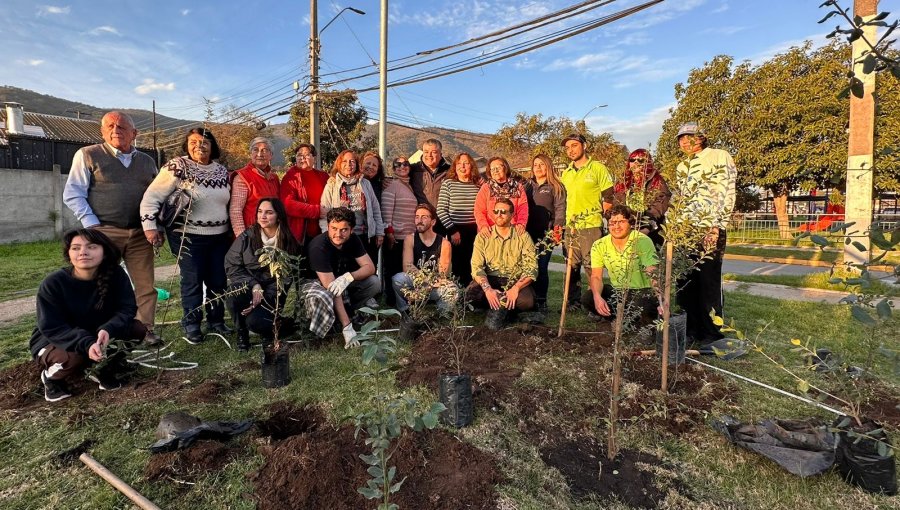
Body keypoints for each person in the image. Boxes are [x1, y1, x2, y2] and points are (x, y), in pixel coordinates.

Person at [63, 111, 161, 346]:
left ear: (134, 133)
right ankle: (97, 332)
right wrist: (93, 226)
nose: (115, 130)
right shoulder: (88, 155)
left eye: (122, 126)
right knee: (100, 282)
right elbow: (73, 194)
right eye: (110, 125)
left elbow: (157, 196)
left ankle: (144, 329)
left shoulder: (147, 161)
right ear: (102, 131)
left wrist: (155, 225)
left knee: (145, 285)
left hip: (139, 232)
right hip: (104, 232)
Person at [30, 229, 147, 402]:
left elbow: (127, 308)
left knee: (137, 329)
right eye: (75, 248)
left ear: (104, 251)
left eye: (91, 247)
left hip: (97, 333)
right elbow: (52, 327)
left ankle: (103, 369)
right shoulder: (54, 283)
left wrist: (108, 329)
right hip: (55, 340)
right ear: (69, 253)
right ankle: (51, 378)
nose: (83, 252)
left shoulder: (115, 274)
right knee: (75, 355)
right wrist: (86, 342)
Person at [140, 127, 232, 344]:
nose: (199, 145)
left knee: (218, 280)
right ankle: (192, 324)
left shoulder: (221, 171)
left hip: (219, 235)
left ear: (212, 146)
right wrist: (150, 226)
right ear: (186, 144)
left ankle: (216, 321)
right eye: (194, 141)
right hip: (187, 235)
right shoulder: (177, 166)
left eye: (205, 142)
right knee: (192, 280)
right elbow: (152, 196)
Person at [225, 198, 334, 352]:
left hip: (270, 297)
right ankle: (242, 334)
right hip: (248, 288)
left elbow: (286, 280)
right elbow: (232, 265)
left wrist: (264, 299)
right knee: (232, 293)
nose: (263, 216)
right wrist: (253, 285)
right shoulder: (247, 237)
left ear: (279, 216)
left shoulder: (289, 243)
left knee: (256, 323)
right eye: (260, 212)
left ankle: (282, 324)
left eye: (269, 213)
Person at [673, 121, 737, 346]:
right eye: (680, 138)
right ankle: (690, 329)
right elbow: (681, 200)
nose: (684, 142)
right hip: (686, 229)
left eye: (689, 136)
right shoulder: (682, 167)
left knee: (708, 280)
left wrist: (716, 226)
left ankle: (711, 333)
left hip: (709, 227)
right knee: (686, 281)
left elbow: (727, 192)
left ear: (701, 137)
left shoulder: (719, 157)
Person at [308, 207, 381, 348]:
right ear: (327, 226)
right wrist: (347, 326)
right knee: (323, 295)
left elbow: (370, 267)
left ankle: (350, 309)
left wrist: (349, 276)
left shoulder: (353, 240)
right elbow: (332, 289)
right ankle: (327, 325)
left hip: (342, 282)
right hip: (319, 285)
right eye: (333, 228)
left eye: (343, 230)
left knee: (374, 282)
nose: (338, 234)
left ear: (351, 230)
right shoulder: (319, 247)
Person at [558, 133, 615, 310]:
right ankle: (572, 302)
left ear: (585, 145)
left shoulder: (597, 168)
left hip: (591, 226)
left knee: (593, 268)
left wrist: (607, 220)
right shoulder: (565, 173)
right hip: (571, 227)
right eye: (567, 148)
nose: (570, 150)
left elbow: (608, 197)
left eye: (574, 145)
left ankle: (594, 303)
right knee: (571, 268)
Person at [581, 205, 662, 323]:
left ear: (630, 223)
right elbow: (596, 276)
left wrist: (661, 300)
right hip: (618, 291)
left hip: (641, 291)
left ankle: (646, 326)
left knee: (644, 302)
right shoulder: (599, 245)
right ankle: (619, 321)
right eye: (612, 222)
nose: (617, 226)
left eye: (622, 222)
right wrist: (597, 297)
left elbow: (652, 271)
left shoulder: (641, 240)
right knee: (588, 298)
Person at [466, 198, 537, 330]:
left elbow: (531, 268)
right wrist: (488, 289)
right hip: (490, 278)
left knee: (527, 302)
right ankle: (498, 304)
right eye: (496, 211)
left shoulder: (523, 236)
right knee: (470, 296)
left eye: (503, 212)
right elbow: (477, 267)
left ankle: (504, 307)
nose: (499, 214)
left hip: (513, 279)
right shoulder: (483, 236)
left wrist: (515, 288)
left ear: (512, 215)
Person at [319, 150, 385, 267]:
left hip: (366, 236)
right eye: (345, 161)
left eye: (352, 161)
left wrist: (379, 232)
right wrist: (327, 235)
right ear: (339, 163)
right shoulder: (332, 185)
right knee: (345, 271)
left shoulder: (365, 183)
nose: (348, 164)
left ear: (357, 164)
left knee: (368, 271)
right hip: (342, 237)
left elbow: (375, 210)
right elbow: (325, 213)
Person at [391, 203, 457, 316]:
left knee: (452, 289)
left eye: (424, 217)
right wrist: (423, 282)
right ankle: (405, 312)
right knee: (398, 279)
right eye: (417, 217)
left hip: (435, 286)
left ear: (433, 222)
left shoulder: (444, 243)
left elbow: (442, 274)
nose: (419, 220)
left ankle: (441, 315)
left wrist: (422, 291)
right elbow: (407, 266)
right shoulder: (410, 239)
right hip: (416, 283)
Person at [525, 154, 566, 320]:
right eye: (535, 165)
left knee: (541, 268)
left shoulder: (556, 186)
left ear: (548, 166)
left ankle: (542, 303)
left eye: (542, 164)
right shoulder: (527, 185)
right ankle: (530, 300)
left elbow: (560, 209)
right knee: (528, 268)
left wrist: (557, 229)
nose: (538, 168)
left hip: (545, 235)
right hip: (526, 235)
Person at [436, 153, 483, 285]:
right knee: (457, 264)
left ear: (472, 166)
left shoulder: (478, 185)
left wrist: (482, 181)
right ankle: (458, 294)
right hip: (455, 230)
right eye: (459, 163)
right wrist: (452, 230)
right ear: (455, 167)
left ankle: (471, 295)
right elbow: (441, 210)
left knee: (473, 263)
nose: (462, 166)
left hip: (475, 230)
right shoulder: (448, 184)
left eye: (466, 163)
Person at [612, 149, 671, 248]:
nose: (636, 163)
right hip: (625, 226)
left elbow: (660, 203)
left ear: (647, 163)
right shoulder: (624, 182)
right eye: (632, 160)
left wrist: (647, 223)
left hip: (648, 227)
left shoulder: (656, 180)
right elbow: (616, 202)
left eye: (640, 160)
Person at [381, 156, 418, 306]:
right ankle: (392, 303)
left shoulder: (410, 185)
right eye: (398, 165)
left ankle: (405, 301)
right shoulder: (392, 185)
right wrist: (389, 233)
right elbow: (386, 211)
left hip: (409, 237)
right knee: (392, 271)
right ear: (393, 168)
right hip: (395, 237)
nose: (402, 167)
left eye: (405, 164)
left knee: (405, 272)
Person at [230, 137, 280, 237]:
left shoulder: (274, 178)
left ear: (271, 155)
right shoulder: (242, 177)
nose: (259, 154)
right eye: (255, 150)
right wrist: (242, 238)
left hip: (272, 233)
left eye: (264, 150)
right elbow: (236, 211)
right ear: (250, 154)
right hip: (251, 233)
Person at [280, 143, 329, 244]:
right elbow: (288, 204)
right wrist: (316, 210)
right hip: (301, 234)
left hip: (324, 229)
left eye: (306, 155)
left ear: (314, 158)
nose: (302, 158)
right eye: (299, 155)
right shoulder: (290, 177)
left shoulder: (323, 176)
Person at [474, 157, 528, 237]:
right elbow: (479, 210)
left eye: (498, 167)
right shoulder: (486, 188)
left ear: (505, 168)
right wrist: (483, 226)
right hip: (490, 231)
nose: (495, 171)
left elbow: (522, 208)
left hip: (512, 230)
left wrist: (521, 223)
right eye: (492, 169)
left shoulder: (517, 187)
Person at [409, 138, 451, 220]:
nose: (429, 155)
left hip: (443, 220)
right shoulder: (413, 169)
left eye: (434, 152)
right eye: (426, 152)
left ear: (440, 154)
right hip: (420, 220)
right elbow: (400, 178)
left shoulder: (450, 171)